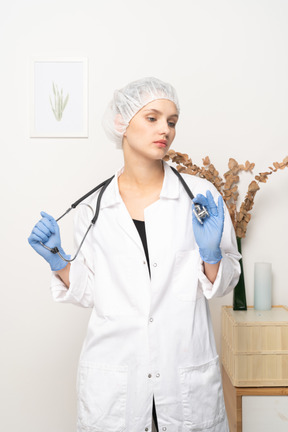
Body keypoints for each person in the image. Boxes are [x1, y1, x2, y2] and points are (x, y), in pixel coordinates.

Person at [28, 77, 241, 432]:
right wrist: (58, 260)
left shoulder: (201, 199)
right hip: (116, 380)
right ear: (121, 123)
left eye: (172, 121)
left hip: (183, 376)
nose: (166, 130)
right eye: (153, 118)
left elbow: (224, 285)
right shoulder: (94, 207)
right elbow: (91, 293)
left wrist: (211, 254)